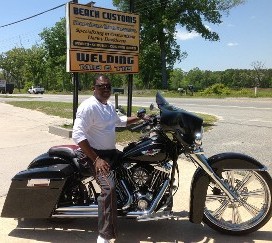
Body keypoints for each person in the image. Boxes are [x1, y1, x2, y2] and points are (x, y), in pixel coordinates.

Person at [72, 74, 147, 243]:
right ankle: (104, 235)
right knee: (109, 187)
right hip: (92, 155)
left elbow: (119, 121)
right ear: (94, 88)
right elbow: (77, 134)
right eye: (101, 86)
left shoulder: (108, 106)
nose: (105, 89)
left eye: (108, 86)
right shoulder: (88, 107)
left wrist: (140, 118)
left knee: (135, 160)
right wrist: (96, 159)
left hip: (110, 153)